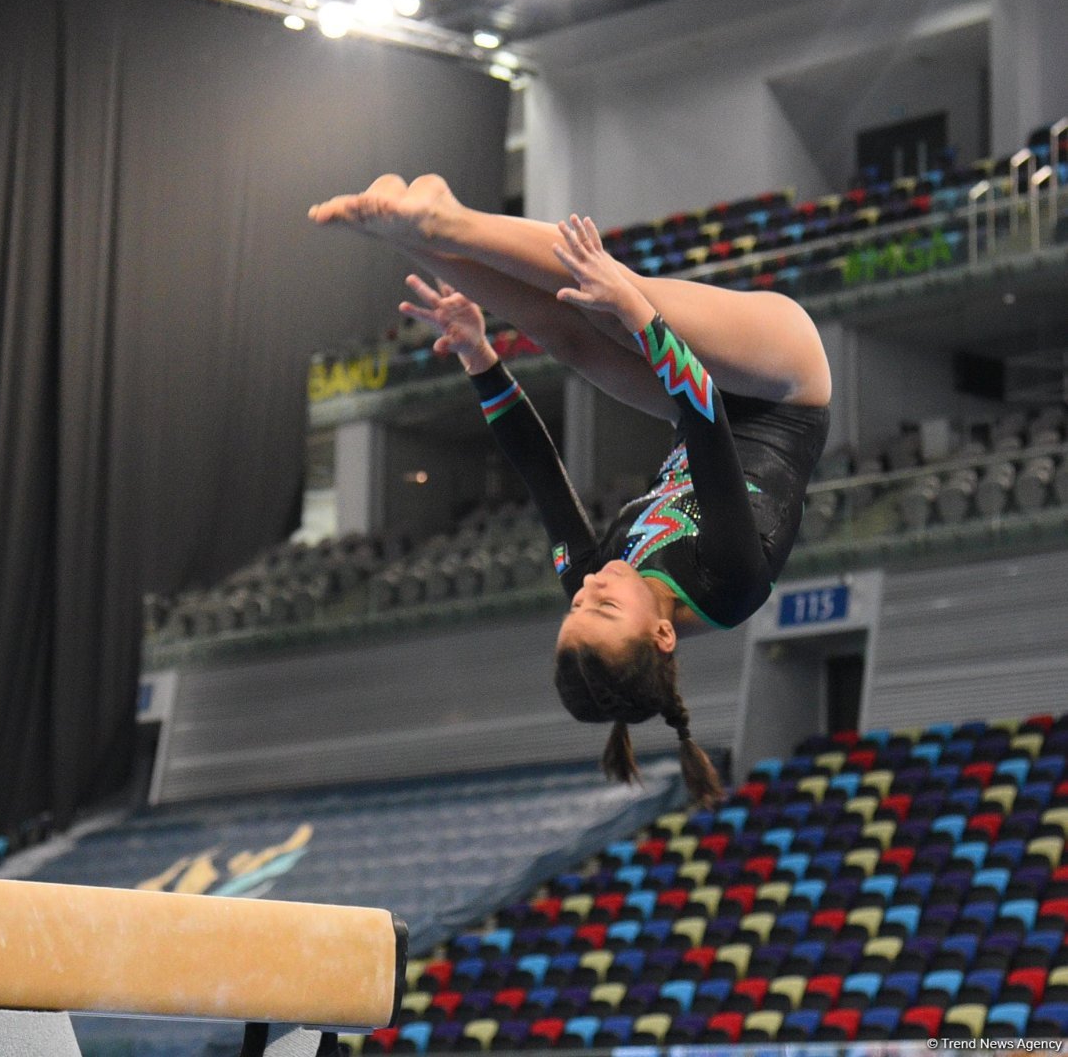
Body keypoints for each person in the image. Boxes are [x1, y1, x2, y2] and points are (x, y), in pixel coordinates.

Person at [310, 175, 832, 808]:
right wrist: (636, 308)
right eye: (604, 609)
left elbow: (536, 467)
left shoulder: (598, 574)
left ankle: (400, 235)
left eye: (577, 607)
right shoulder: (729, 581)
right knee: (607, 305)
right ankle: (445, 219)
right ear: (662, 637)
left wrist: (478, 354)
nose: (590, 589)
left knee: (569, 341)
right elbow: (703, 410)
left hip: (703, 395)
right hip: (783, 386)